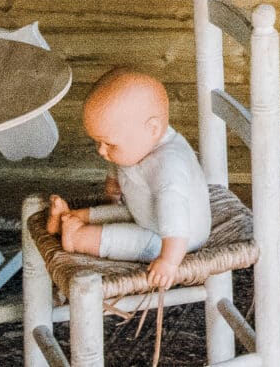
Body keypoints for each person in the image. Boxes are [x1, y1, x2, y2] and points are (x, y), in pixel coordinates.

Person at [48, 68, 212, 291]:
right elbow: (122, 166)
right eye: (98, 142)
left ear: (152, 129)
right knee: (120, 213)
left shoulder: (168, 166)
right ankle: (71, 218)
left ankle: (78, 237)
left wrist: (169, 261)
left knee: (130, 239)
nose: (101, 151)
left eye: (109, 144)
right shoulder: (138, 143)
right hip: (146, 213)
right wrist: (114, 182)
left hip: (176, 237)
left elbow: (175, 217)